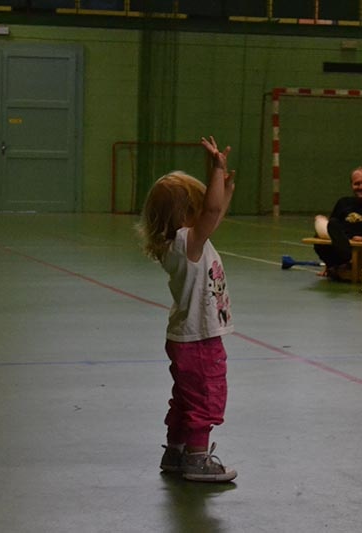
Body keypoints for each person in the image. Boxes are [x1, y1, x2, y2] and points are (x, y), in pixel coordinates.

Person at [135, 136, 237, 483]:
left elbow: (213, 214)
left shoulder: (179, 243)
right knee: (205, 397)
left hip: (183, 337)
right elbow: (211, 213)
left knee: (184, 397)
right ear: (185, 214)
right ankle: (196, 458)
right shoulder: (187, 243)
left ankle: (175, 452)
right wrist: (217, 171)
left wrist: (223, 186)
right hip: (200, 338)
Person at [312, 166, 362, 278]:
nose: (361, 187)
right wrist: (327, 266)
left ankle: (350, 263)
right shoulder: (344, 203)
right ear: (351, 185)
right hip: (342, 250)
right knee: (324, 222)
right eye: (357, 184)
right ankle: (348, 260)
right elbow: (332, 229)